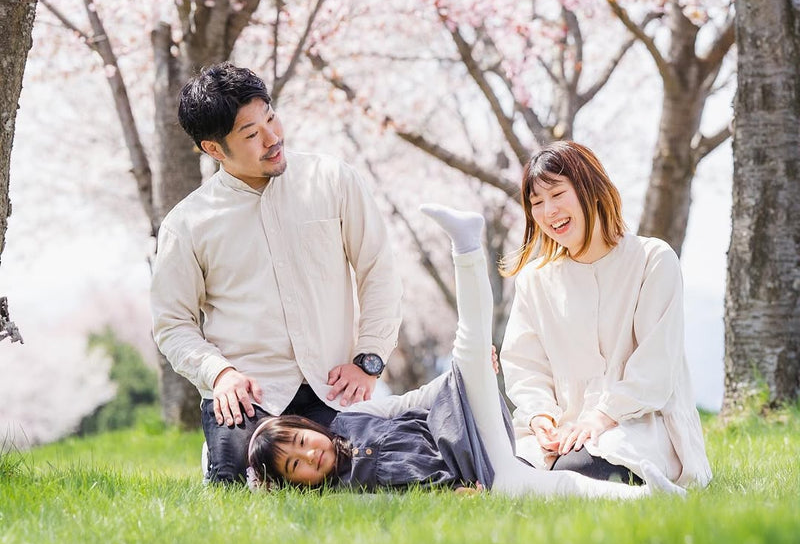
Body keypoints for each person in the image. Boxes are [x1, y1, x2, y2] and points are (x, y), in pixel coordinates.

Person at [246, 205, 682, 500]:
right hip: (479, 469)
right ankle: (646, 497)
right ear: (296, 484)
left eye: (301, 442)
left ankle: (465, 244)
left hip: (461, 425)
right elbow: (404, 499)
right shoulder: (349, 492)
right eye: (296, 466)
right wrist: (452, 495)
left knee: (470, 344)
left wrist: (461, 376)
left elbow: (412, 402)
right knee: (525, 485)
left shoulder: (352, 419)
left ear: (308, 426)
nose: (310, 455)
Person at [150, 62, 402, 484]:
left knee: (373, 474)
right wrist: (219, 374)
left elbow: (378, 271)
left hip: (333, 384)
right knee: (236, 486)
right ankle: (219, 452)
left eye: (270, 118)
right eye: (251, 134)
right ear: (214, 149)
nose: (272, 138)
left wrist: (368, 359)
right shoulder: (188, 224)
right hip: (249, 397)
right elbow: (172, 324)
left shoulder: (332, 179)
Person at [500, 140, 712, 489]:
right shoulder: (535, 280)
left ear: (591, 188)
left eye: (557, 194)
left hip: (636, 424)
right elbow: (525, 365)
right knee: (505, 472)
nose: (549, 211)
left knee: (579, 469)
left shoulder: (652, 259)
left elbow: (655, 367)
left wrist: (599, 419)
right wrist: (541, 416)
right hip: (562, 431)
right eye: (537, 203)